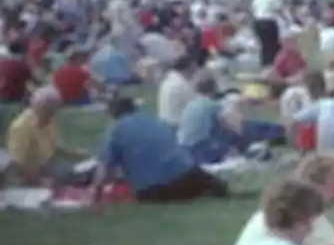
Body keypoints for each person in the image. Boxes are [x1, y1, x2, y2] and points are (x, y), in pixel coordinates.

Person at [91, 95, 230, 203]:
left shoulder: (116, 130)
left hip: (150, 192)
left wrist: (95, 196)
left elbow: (104, 169)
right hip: (184, 179)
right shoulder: (156, 122)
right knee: (202, 178)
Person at [4, 87, 83, 184]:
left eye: (53, 111)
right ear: (38, 107)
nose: (52, 116)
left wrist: (75, 154)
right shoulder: (21, 127)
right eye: (49, 112)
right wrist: (39, 181)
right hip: (30, 172)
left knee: (75, 173)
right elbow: (18, 164)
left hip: (47, 164)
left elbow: (53, 148)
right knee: (64, 178)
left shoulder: (49, 120)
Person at [156, 57, 197, 127]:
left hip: (164, 122)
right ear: (186, 70)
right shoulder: (182, 85)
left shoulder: (167, 81)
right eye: (193, 70)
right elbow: (195, 106)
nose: (194, 74)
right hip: (177, 123)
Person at [251, 0, 284, 68]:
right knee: (273, 43)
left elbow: (253, 9)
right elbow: (279, 10)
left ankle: (264, 62)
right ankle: (272, 63)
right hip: (269, 22)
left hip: (257, 22)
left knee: (263, 43)